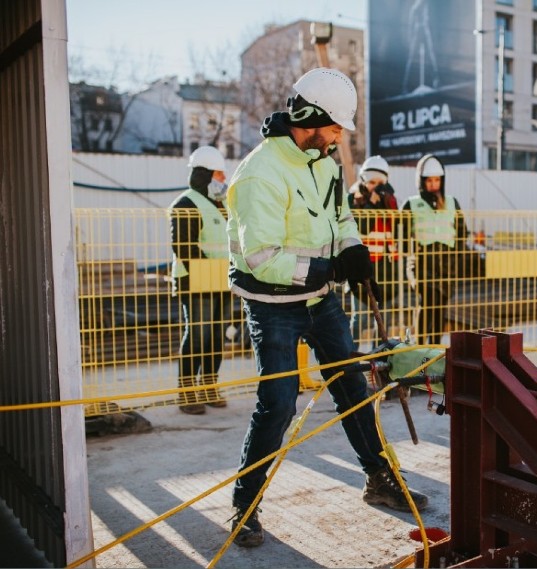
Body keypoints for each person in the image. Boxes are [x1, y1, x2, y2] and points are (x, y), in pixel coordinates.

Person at [225, 67, 428, 548]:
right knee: (277, 404)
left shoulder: (326, 163)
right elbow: (262, 259)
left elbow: (340, 219)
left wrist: (353, 252)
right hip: (273, 305)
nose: (340, 136)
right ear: (311, 119)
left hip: (322, 302)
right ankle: (244, 506)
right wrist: (329, 270)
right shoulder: (259, 174)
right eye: (336, 127)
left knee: (354, 387)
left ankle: (379, 479)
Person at [168, 145, 230, 414]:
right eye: (218, 174)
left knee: (216, 335)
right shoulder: (185, 203)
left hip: (221, 280)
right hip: (195, 280)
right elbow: (183, 247)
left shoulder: (222, 205)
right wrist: (206, 273)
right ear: (204, 174)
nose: (223, 180)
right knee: (197, 334)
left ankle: (208, 385)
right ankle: (186, 391)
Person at [401, 154, 471, 346]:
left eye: (437, 180)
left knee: (440, 307)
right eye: (429, 180)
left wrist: (457, 257)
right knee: (427, 303)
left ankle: (435, 346)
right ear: (421, 181)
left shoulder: (452, 202)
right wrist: (409, 256)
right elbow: (401, 234)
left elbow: (462, 232)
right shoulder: (411, 203)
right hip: (422, 262)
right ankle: (421, 345)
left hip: (447, 264)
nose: (433, 184)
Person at [347, 155, 399, 342]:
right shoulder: (353, 200)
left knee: (384, 322)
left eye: (380, 182)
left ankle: (380, 364)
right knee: (360, 320)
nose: (375, 186)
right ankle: (350, 361)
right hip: (361, 269)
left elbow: (396, 229)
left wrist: (385, 204)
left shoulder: (389, 202)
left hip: (386, 271)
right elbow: (362, 227)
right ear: (363, 180)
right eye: (371, 182)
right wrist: (372, 205)